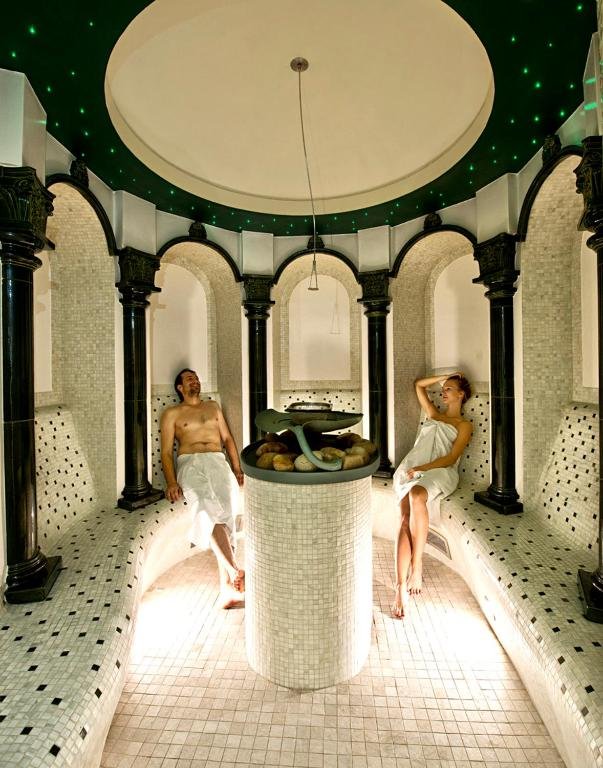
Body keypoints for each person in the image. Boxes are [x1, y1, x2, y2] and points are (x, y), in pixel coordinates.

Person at [160, 368, 245, 609]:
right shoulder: (172, 414)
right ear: (180, 387)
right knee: (205, 510)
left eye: (196, 378)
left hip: (218, 461)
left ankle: (227, 588)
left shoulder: (213, 407)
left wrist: (237, 468)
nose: (195, 381)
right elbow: (166, 452)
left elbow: (227, 439)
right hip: (191, 463)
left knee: (227, 515)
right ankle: (234, 572)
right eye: (189, 379)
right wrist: (171, 482)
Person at [391, 373, 472, 618]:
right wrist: (447, 376)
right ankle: (400, 587)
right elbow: (418, 385)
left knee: (417, 495)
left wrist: (422, 470)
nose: (443, 392)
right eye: (443, 389)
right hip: (411, 467)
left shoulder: (464, 425)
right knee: (404, 520)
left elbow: (451, 458)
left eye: (449, 389)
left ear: (461, 395)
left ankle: (417, 566)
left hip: (440, 471)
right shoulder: (433, 414)